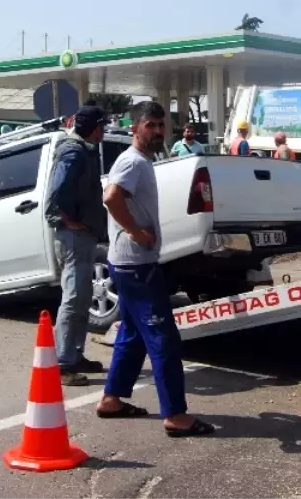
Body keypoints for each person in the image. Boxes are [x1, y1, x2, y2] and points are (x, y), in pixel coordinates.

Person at [96, 101, 214, 437]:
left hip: (134, 263)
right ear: (135, 128)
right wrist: (135, 231)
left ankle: (111, 400)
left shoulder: (143, 161)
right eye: (151, 126)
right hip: (135, 265)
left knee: (133, 335)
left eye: (162, 126)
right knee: (164, 340)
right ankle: (176, 416)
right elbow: (111, 196)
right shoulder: (132, 162)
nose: (158, 132)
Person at [44, 104, 108, 386]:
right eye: (102, 126)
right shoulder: (72, 151)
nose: (104, 131)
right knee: (73, 298)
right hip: (74, 237)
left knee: (82, 297)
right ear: (94, 128)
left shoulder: (82, 150)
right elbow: (56, 191)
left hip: (83, 235)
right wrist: (65, 219)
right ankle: (63, 362)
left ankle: (75, 354)